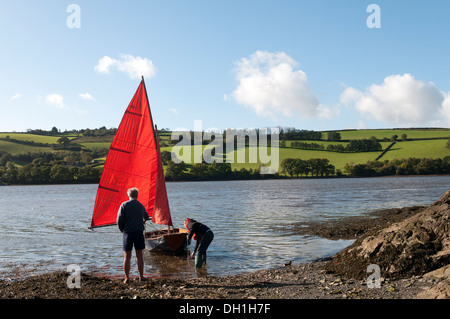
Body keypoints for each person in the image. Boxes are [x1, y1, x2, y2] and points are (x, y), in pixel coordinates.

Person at [116, 187, 150, 283]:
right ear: (137, 195)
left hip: (128, 233)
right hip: (138, 232)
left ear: (128, 195)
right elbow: (146, 217)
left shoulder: (124, 205)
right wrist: (143, 220)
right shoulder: (140, 205)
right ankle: (141, 277)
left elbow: (119, 221)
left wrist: (123, 230)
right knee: (139, 255)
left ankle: (127, 278)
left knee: (127, 256)